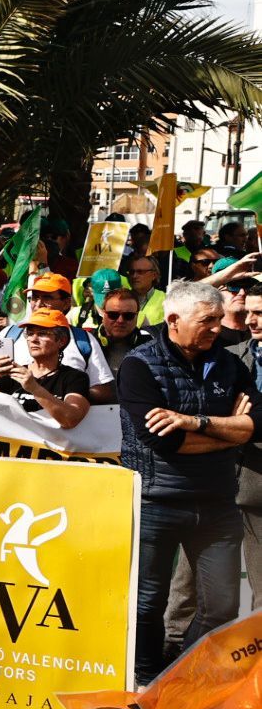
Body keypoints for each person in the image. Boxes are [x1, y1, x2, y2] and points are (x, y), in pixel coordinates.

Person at [118, 280, 259, 687]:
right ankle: (146, 680)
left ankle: (182, 681)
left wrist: (196, 422)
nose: (218, 328)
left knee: (221, 606)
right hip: (157, 501)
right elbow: (164, 441)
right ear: (173, 319)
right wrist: (229, 430)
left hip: (217, 502)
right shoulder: (139, 365)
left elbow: (257, 425)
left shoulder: (231, 364)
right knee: (149, 603)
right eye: (207, 321)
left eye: (218, 319)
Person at [0, 272, 115, 404]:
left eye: (47, 297)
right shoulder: (8, 335)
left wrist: (64, 389)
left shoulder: (84, 340)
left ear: (66, 303)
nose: (38, 304)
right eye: (35, 297)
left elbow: (104, 391)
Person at [0, 309, 91, 426]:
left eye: (42, 334)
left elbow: (71, 419)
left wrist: (34, 388)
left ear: (61, 341)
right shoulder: (12, 373)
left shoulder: (75, 378)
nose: (33, 339)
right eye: (30, 333)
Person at [229, 281, 262, 614]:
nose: (252, 320)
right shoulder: (230, 357)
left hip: (259, 488)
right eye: (248, 312)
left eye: (260, 313)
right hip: (219, 482)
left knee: (260, 585)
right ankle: (176, 650)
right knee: (188, 584)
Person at [95, 288, 148, 375]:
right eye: (113, 315)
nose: (120, 320)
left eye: (128, 316)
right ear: (103, 314)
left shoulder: (151, 346)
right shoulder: (87, 342)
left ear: (137, 316)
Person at [124, 255, 167, 327]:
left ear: (154, 275)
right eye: (131, 272)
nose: (134, 276)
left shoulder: (167, 300)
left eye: (140, 272)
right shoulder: (121, 299)